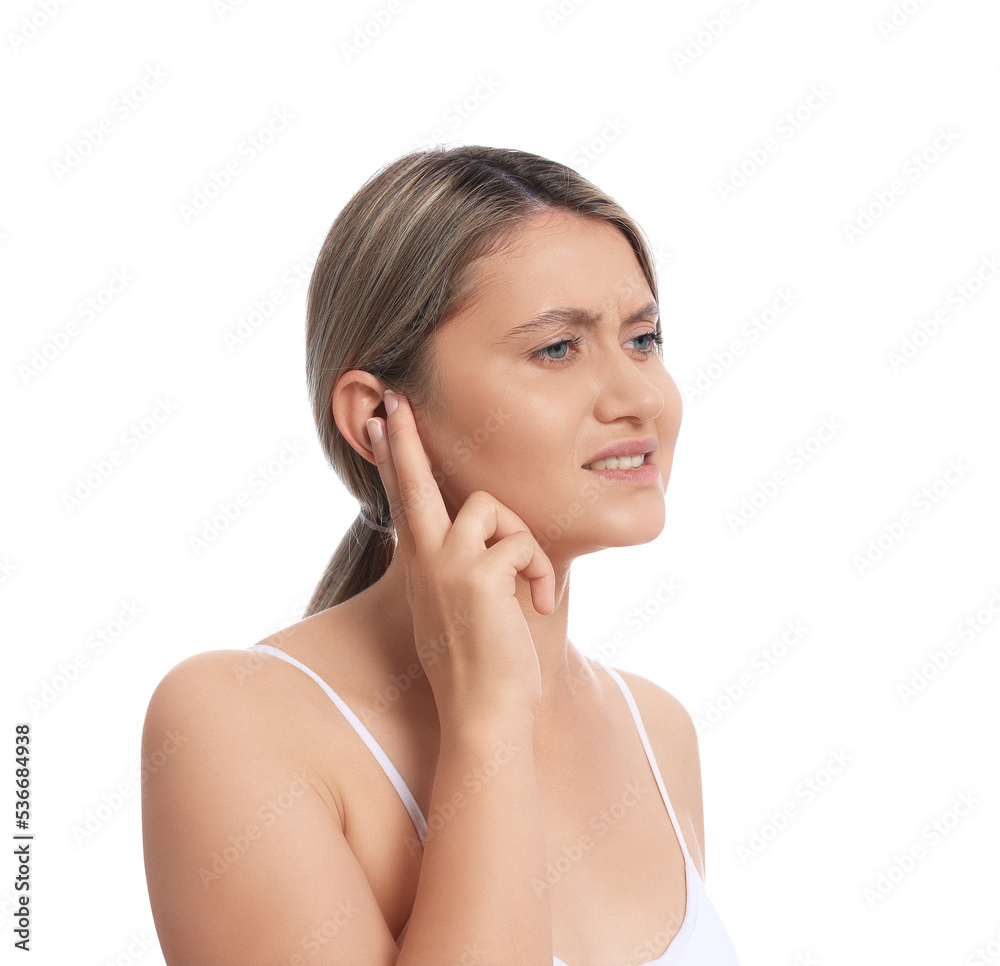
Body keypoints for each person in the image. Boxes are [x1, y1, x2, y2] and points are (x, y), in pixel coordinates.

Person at [140, 144, 743, 965]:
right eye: (557, 350)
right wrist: (487, 720)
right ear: (377, 418)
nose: (640, 397)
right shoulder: (233, 723)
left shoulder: (657, 731)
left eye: (643, 339)